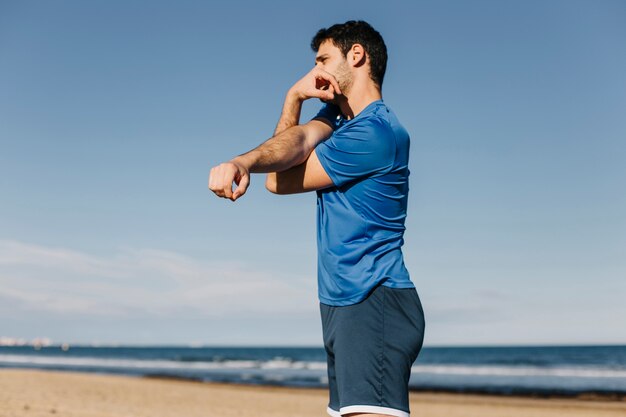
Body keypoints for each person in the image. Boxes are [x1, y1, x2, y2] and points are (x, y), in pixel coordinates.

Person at [208, 20, 425, 417]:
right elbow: (292, 149)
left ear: (356, 55)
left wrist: (242, 162)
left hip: (373, 299)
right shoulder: (337, 120)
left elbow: (280, 180)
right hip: (342, 304)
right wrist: (293, 97)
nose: (316, 72)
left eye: (323, 59)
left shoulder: (376, 132)